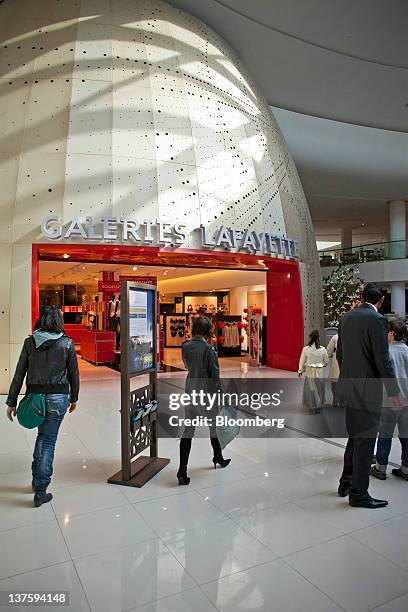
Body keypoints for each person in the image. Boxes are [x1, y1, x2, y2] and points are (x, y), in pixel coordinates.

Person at [6, 306, 79, 507]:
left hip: (35, 398)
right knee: (48, 441)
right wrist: (74, 398)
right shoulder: (67, 343)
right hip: (58, 398)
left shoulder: (30, 342)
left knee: (42, 437)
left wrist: (12, 401)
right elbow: (74, 373)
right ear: (58, 321)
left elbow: (19, 374)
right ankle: (41, 488)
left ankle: (36, 478)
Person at [336, 283, 401, 508]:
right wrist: (393, 391)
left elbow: (340, 355)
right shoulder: (378, 321)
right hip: (368, 391)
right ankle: (359, 493)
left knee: (355, 436)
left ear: (362, 297)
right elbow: (383, 359)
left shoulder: (346, 317)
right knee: (365, 442)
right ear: (380, 300)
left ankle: (345, 482)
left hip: (350, 386)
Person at [177, 316, 230, 485]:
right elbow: (214, 377)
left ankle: (182, 469)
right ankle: (218, 457)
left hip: (191, 389)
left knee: (188, 430)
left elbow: (187, 366)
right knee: (213, 427)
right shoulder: (210, 349)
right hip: (207, 393)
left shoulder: (185, 346)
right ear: (209, 330)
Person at [371, 319, 408, 481]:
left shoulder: (387, 353)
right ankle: (406, 468)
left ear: (392, 332)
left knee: (385, 434)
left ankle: (381, 467)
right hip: (406, 400)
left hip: (389, 400)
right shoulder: (407, 351)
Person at [298, 330, 329, 413]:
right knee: (319, 388)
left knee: (311, 388)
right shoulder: (322, 349)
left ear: (310, 338)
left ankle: (312, 406)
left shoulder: (306, 349)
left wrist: (300, 370)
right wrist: (324, 364)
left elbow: (302, 360)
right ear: (318, 338)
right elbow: (326, 361)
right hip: (319, 372)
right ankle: (318, 405)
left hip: (309, 371)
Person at [326, 333, 340, 406]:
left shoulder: (335, 337)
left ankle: (335, 398)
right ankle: (342, 400)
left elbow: (328, 351)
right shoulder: (353, 336)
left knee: (335, 381)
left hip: (337, 361)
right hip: (348, 362)